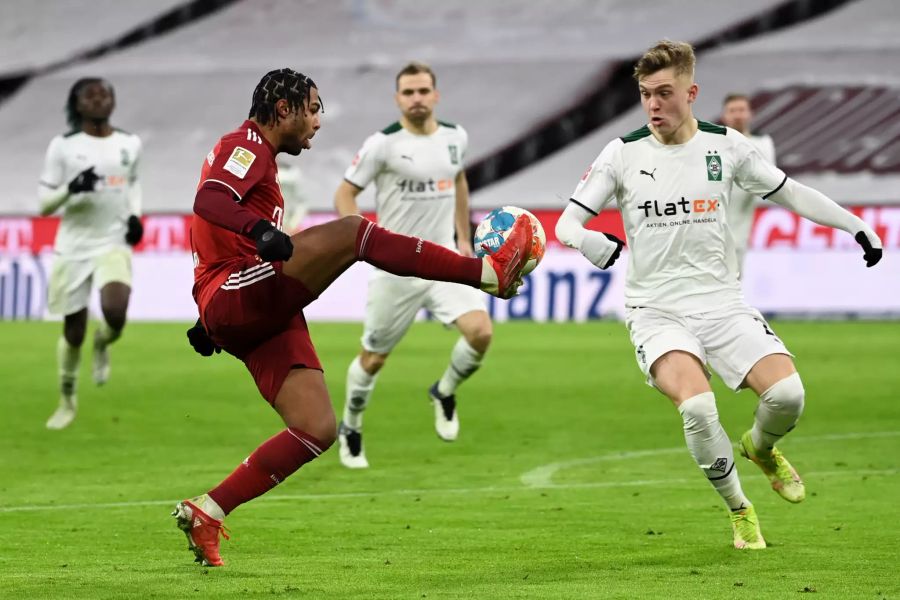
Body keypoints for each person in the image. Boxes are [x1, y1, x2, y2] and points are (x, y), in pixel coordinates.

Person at [174, 68, 533, 567]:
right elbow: (209, 200)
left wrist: (209, 314)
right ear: (285, 110)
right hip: (236, 290)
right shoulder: (247, 145)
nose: (319, 121)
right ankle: (484, 275)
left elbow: (213, 233)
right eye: (314, 109)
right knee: (353, 233)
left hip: (243, 300)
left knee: (316, 428)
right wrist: (256, 235)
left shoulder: (261, 156)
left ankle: (208, 511)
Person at [555, 40, 882, 550]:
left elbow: (791, 192)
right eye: (645, 94)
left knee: (788, 396)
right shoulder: (622, 154)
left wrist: (854, 224)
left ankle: (761, 446)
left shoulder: (725, 146)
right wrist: (590, 241)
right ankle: (741, 511)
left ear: (692, 91)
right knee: (699, 409)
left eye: (664, 93)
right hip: (656, 311)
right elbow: (569, 223)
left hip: (722, 303)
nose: (654, 105)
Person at [333, 62, 490, 469]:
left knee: (480, 332)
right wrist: (364, 240)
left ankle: (444, 390)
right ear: (397, 99)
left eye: (423, 91)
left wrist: (463, 240)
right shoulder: (382, 145)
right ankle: (350, 425)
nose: (417, 98)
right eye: (408, 92)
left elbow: (457, 180)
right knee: (373, 358)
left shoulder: (456, 137)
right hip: (395, 266)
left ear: (436, 95)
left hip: (443, 259)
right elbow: (345, 194)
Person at [38, 77, 144, 430]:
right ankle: (67, 398)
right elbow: (43, 204)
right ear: (78, 104)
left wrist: (135, 216)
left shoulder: (129, 143)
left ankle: (103, 343)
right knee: (73, 332)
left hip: (113, 242)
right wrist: (71, 188)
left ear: (113, 102)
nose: (99, 100)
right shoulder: (64, 146)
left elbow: (134, 183)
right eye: (91, 95)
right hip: (73, 247)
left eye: (105, 94)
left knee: (115, 312)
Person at [719, 93, 777, 275]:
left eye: (741, 110)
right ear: (724, 116)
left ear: (750, 114)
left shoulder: (763, 143)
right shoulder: (713, 143)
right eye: (732, 110)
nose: (737, 115)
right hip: (711, 224)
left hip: (740, 226)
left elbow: (768, 180)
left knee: (734, 279)